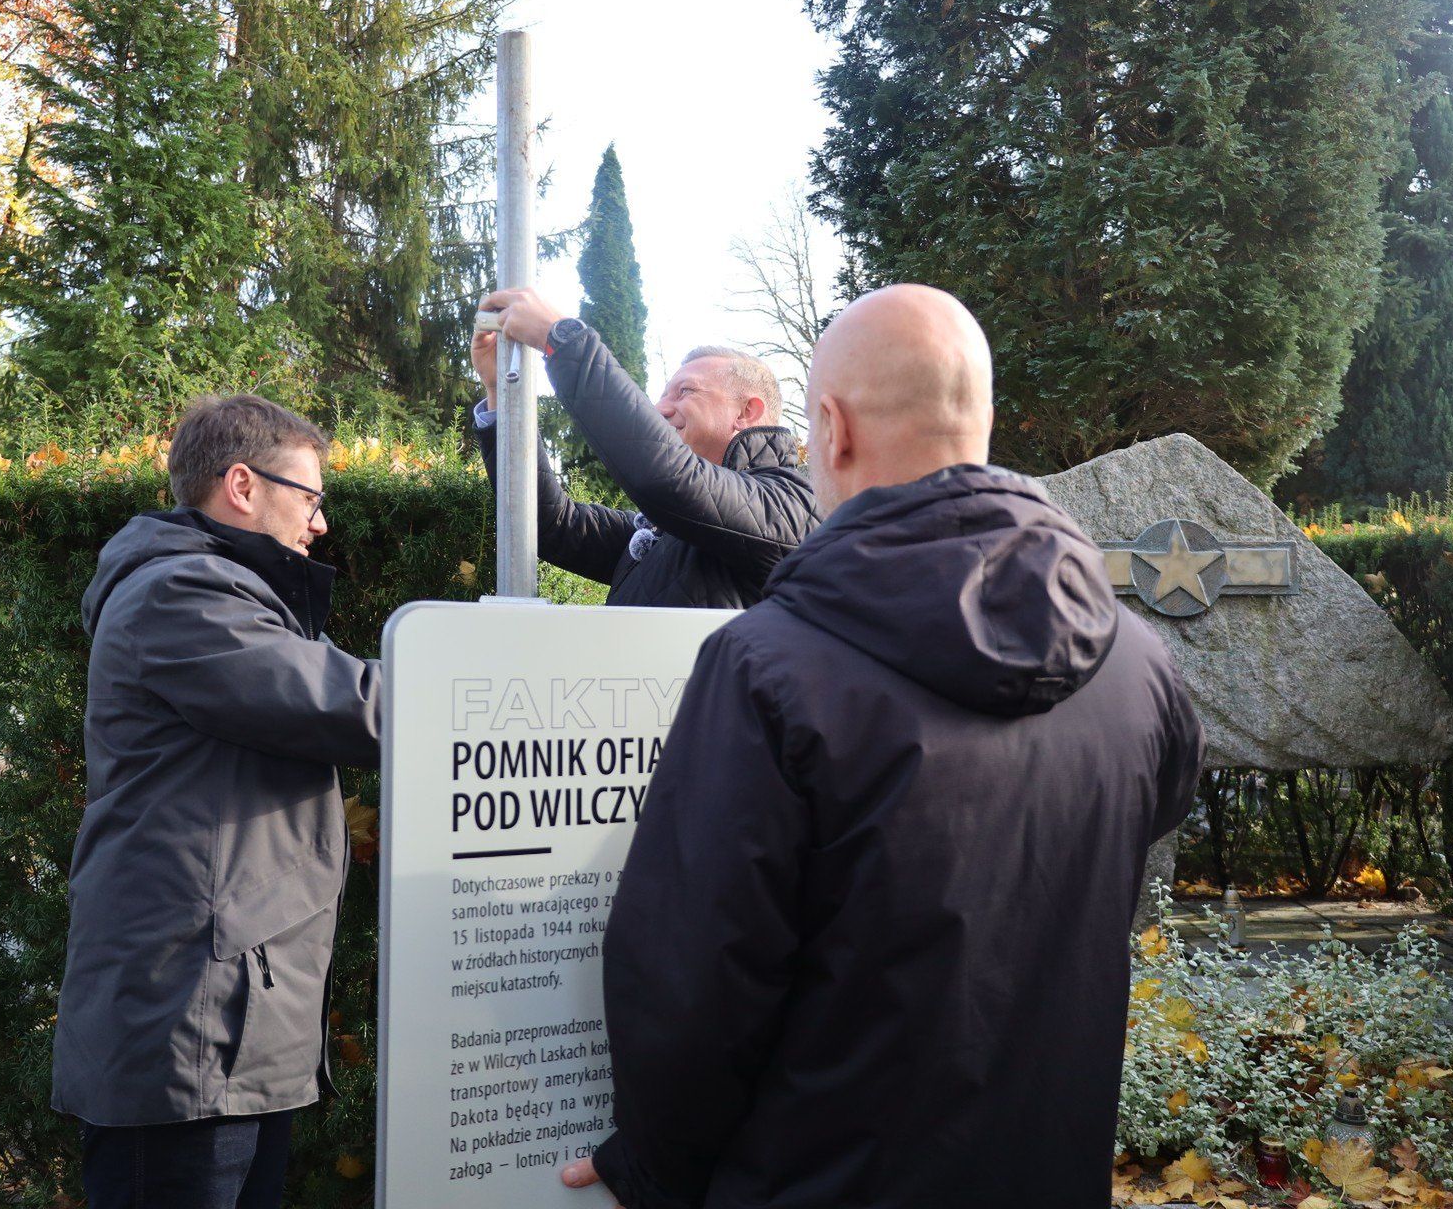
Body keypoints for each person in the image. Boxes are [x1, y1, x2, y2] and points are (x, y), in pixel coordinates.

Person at [561, 285, 1206, 1209]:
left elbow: (692, 977)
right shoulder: (1142, 665)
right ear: (976, 422)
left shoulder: (765, 667)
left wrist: (650, 1166)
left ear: (830, 427)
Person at [49, 395, 381, 1209]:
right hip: (188, 1030)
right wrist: (489, 679)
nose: (320, 523)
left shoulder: (227, 590)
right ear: (241, 484)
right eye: (310, 497)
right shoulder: (183, 595)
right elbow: (356, 705)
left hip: (227, 1023)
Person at [473, 287, 817, 608]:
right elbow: (553, 525)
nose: (660, 409)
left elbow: (669, 479)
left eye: (686, 392)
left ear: (747, 412)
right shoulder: (662, 534)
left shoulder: (792, 505)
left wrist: (560, 338)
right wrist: (500, 395)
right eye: (662, 396)